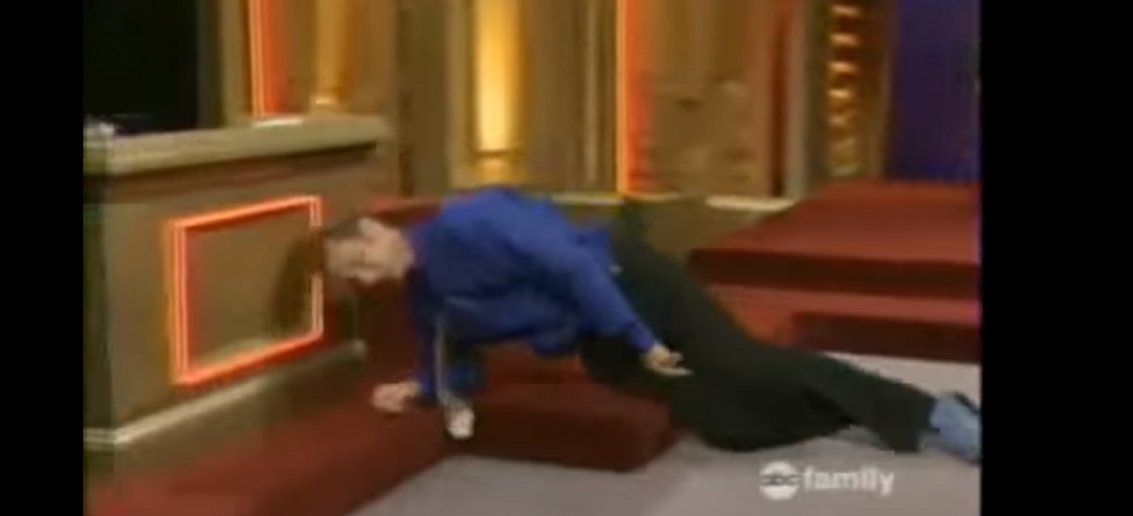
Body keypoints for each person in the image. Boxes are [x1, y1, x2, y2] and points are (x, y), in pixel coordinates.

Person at [322, 187, 980, 464]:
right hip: (599, 339)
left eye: (363, 259)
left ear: (377, 229)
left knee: (748, 365)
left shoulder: (472, 220)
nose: (370, 277)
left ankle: (936, 412)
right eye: (358, 278)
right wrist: (422, 389)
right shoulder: (427, 297)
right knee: (730, 426)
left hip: (629, 285)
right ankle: (857, 409)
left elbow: (576, 266)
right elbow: (457, 361)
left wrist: (644, 340)